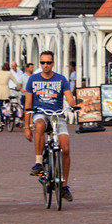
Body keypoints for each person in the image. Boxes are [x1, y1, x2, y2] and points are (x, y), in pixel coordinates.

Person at [22, 50, 76, 202]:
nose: (45, 65)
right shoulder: (33, 79)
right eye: (42, 63)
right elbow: (27, 104)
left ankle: (64, 185)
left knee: (65, 148)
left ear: (53, 63)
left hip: (58, 115)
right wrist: (27, 127)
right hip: (41, 113)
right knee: (39, 125)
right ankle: (39, 162)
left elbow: (69, 98)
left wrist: (73, 105)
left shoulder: (61, 79)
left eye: (48, 63)